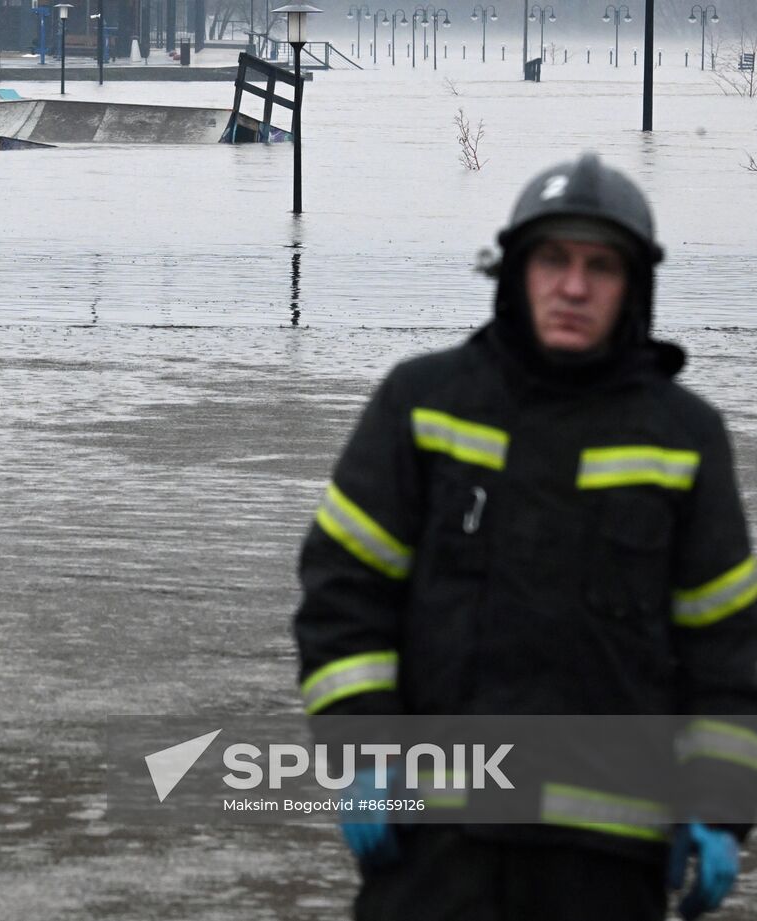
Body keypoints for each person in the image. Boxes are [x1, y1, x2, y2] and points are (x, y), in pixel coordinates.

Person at [293, 152, 757, 921]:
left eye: (600, 266)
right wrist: (365, 752)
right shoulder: (425, 405)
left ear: (634, 285)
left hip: (607, 867)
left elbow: (729, 651)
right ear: (514, 271)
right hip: (435, 855)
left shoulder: (683, 439)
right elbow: (346, 593)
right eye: (553, 259)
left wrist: (717, 807)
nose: (573, 286)